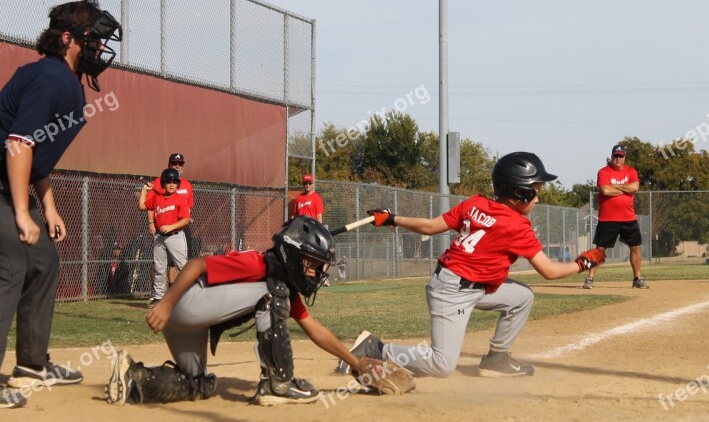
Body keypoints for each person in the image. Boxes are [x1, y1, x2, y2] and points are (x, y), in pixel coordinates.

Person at [334, 152, 606, 378]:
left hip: (467, 284)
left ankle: (496, 359)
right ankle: (375, 349)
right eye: (534, 191)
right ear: (518, 193)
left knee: (522, 296)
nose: (538, 197)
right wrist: (583, 263)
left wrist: (393, 219)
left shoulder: (475, 204)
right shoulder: (517, 225)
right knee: (442, 365)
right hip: (452, 292)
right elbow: (550, 271)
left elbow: (430, 227)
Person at [105, 216, 375, 406]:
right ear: (291, 256)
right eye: (312, 264)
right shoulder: (260, 266)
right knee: (273, 295)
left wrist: (356, 363)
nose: (315, 273)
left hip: (189, 320)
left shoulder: (281, 284)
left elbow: (315, 329)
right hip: (186, 304)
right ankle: (277, 385)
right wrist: (166, 302)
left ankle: (134, 378)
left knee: (196, 384)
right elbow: (197, 265)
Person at [0, 0, 122, 409]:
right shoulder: (51, 79)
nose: (101, 48)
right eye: (94, 39)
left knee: (43, 260)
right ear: (68, 38)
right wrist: (21, 212)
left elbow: (36, 152)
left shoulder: (63, 81)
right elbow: (17, 144)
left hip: (11, 184)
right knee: (12, 265)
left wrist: (47, 206)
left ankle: (32, 363)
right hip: (2, 189)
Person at [583, 144, 649, 290]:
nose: (617, 158)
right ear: (611, 156)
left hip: (628, 217)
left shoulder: (631, 171)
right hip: (608, 219)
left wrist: (616, 188)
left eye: (620, 156)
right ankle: (589, 278)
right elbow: (605, 190)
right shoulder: (604, 172)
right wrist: (625, 188)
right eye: (615, 156)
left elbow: (635, 187)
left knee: (635, 247)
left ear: (624, 157)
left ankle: (637, 278)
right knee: (599, 249)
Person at [139, 168, 191, 309]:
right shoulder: (157, 198)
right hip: (159, 237)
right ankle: (158, 297)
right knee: (159, 267)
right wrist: (144, 190)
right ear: (163, 183)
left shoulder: (180, 199)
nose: (171, 184)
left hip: (175, 236)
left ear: (178, 184)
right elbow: (142, 206)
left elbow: (186, 220)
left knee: (183, 267)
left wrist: (171, 226)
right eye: (168, 182)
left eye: (174, 182)